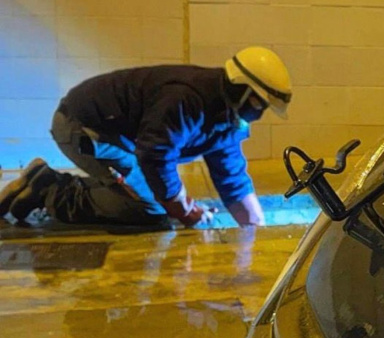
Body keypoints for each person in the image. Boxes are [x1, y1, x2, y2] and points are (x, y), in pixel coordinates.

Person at [0, 46, 292, 228]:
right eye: (259, 105)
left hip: (118, 137)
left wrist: (255, 228)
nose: (259, 114)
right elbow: (155, 156)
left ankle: (43, 179)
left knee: (154, 197)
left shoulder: (227, 114)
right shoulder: (188, 98)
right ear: (243, 91)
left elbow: (231, 176)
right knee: (150, 209)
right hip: (83, 127)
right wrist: (184, 210)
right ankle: (51, 192)